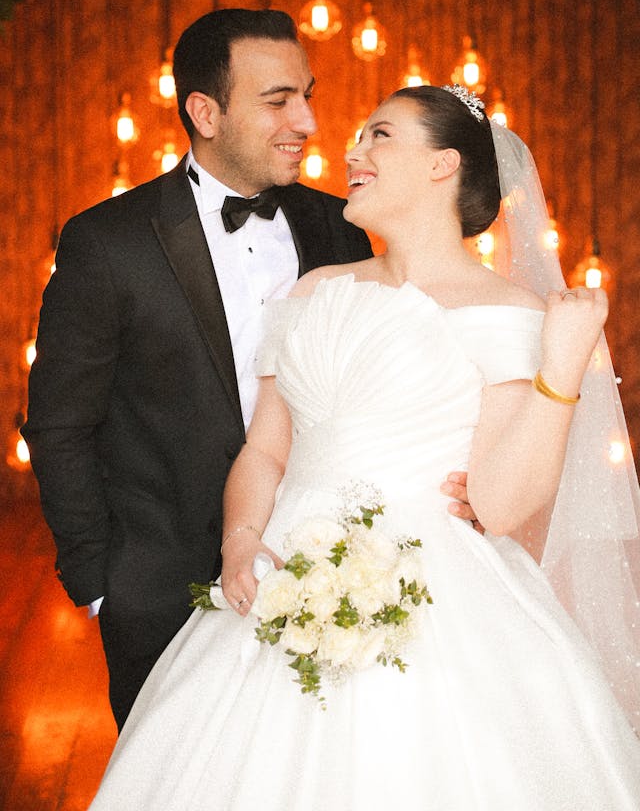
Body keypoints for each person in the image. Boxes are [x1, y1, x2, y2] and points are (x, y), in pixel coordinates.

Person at [88, 84, 640, 809]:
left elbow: (501, 505)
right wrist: (241, 538)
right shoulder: (313, 291)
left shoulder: (511, 312)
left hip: (438, 587)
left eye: (379, 135)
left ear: (444, 165)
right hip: (287, 568)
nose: (351, 151)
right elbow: (264, 453)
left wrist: (562, 366)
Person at [23, 8, 376, 732]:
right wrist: (99, 582)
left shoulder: (344, 226)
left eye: (307, 94)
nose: (307, 121)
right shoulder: (106, 242)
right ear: (205, 111)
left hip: (327, 570)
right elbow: (60, 424)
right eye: (278, 101)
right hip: (160, 592)